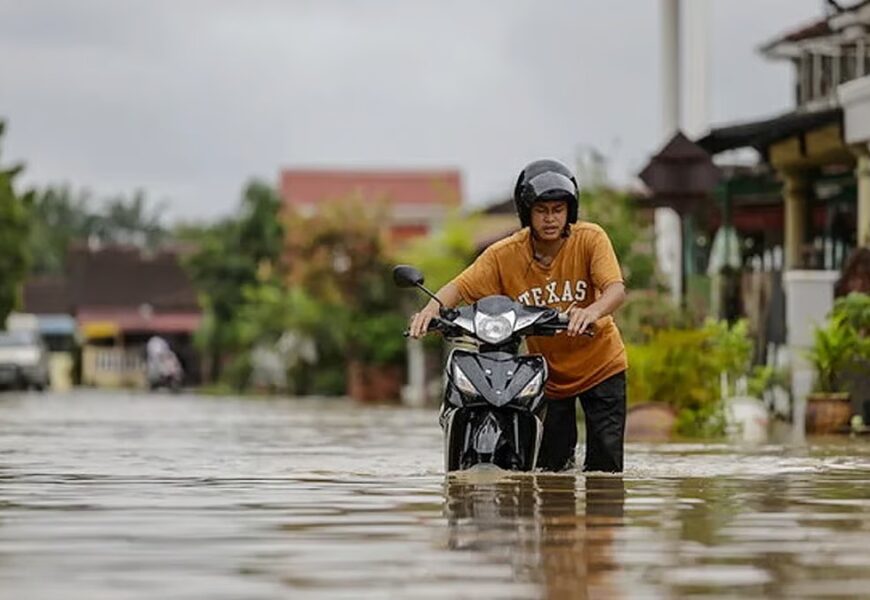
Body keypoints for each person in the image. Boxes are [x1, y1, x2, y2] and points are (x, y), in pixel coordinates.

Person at [409, 159, 628, 472]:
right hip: (550, 376)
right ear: (527, 212)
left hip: (602, 365)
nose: (550, 218)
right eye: (541, 210)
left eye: (557, 209)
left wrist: (592, 311)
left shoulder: (591, 239)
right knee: (552, 470)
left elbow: (615, 290)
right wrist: (430, 311)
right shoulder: (505, 254)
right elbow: (460, 286)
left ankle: (603, 519)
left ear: (570, 211)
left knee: (604, 470)